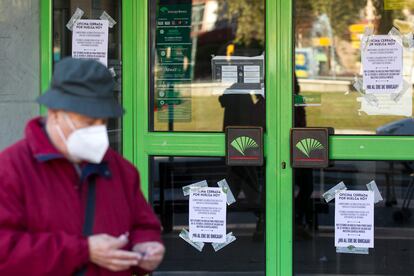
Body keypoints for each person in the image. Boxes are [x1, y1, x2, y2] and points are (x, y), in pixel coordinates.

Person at [0, 58, 165, 275]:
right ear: (55, 114)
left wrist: (146, 246)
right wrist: (83, 250)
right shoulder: (11, 168)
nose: (97, 130)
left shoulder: (121, 170)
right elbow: (5, 252)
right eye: (88, 122)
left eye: (103, 122)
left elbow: (143, 226)